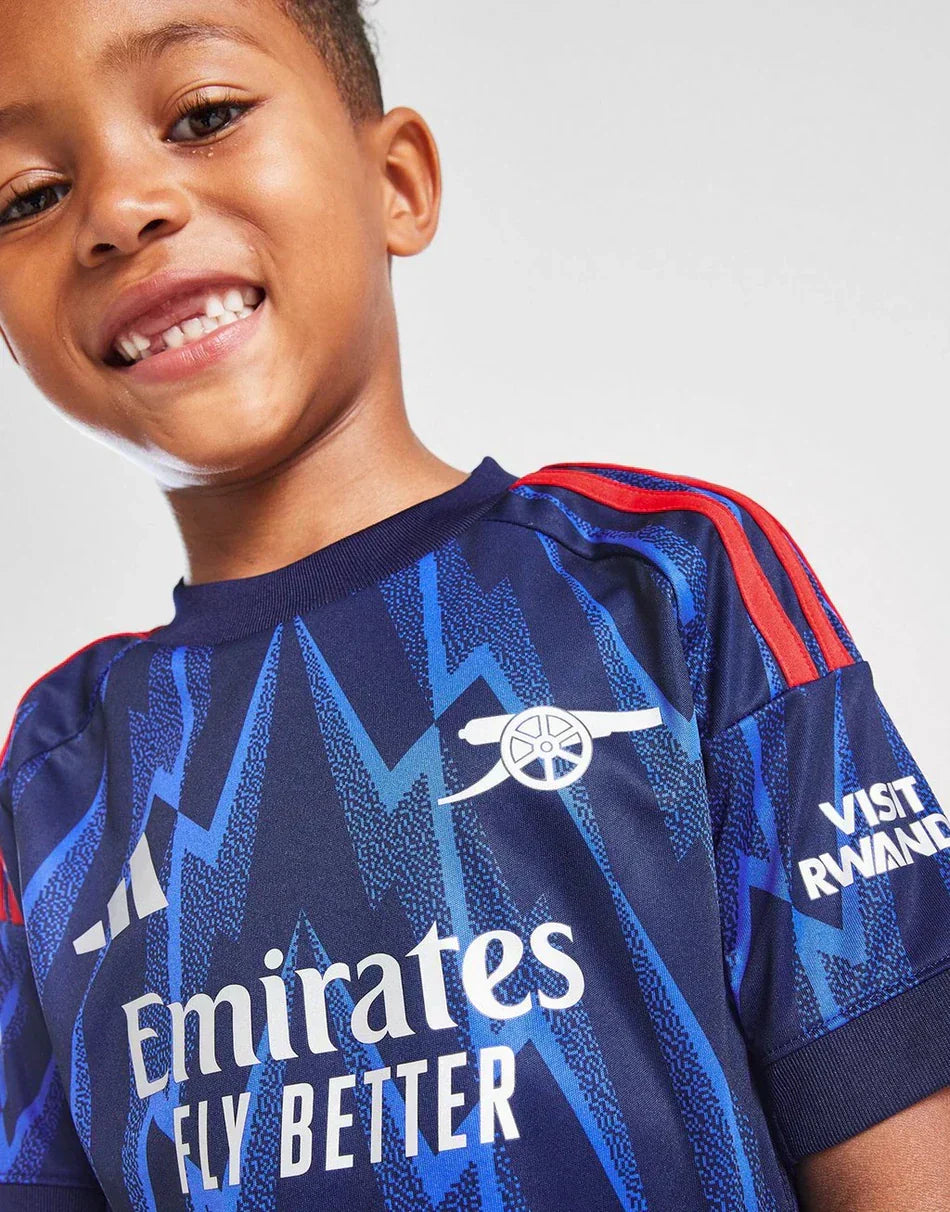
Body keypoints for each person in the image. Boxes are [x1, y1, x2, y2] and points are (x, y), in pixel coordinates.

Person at [0, 0, 947, 1208]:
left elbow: (899, 1141)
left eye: (204, 116)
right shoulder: (53, 776)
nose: (120, 208)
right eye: (27, 195)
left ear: (396, 182)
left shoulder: (664, 581)